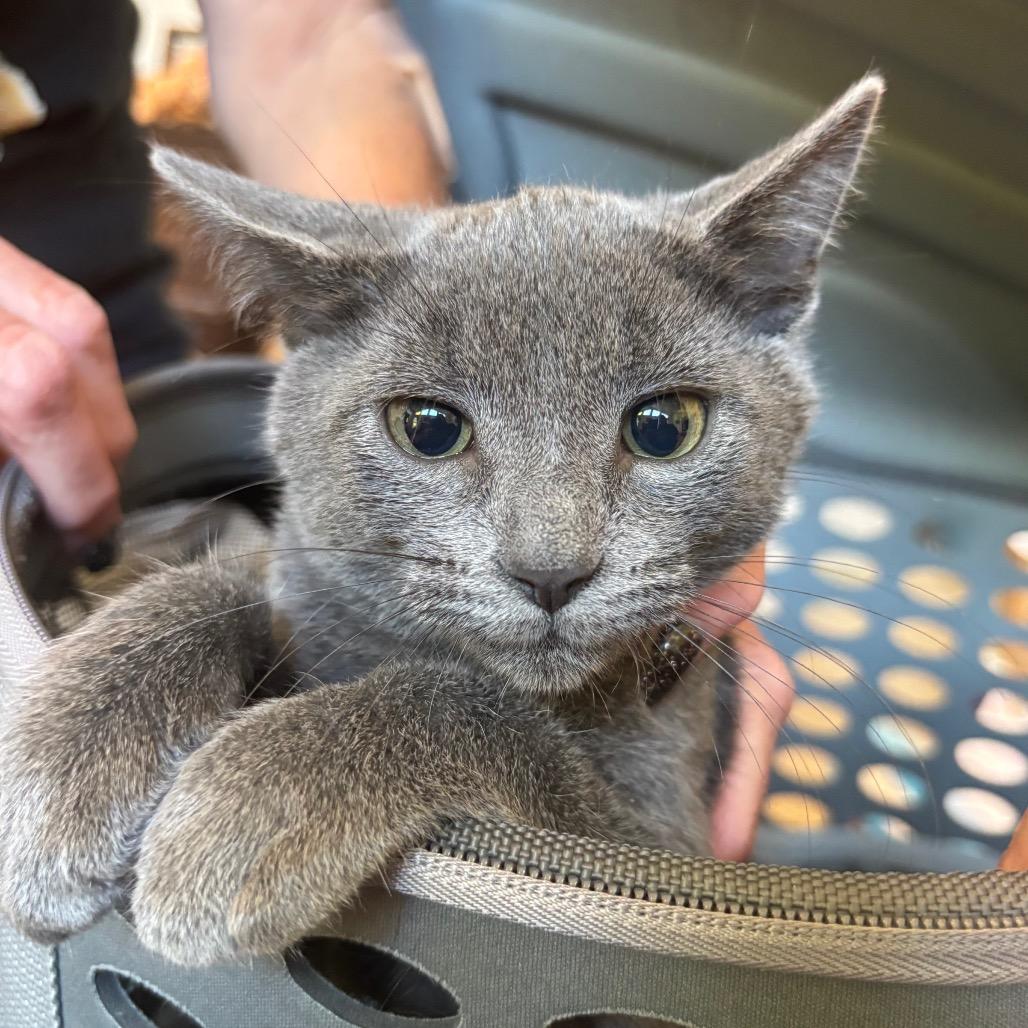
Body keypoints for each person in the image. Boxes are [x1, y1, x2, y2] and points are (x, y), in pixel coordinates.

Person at [0, 0, 794, 863]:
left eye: (660, 428)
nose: (553, 553)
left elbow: (306, 37)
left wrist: (414, 306)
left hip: (123, 417)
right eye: (431, 427)